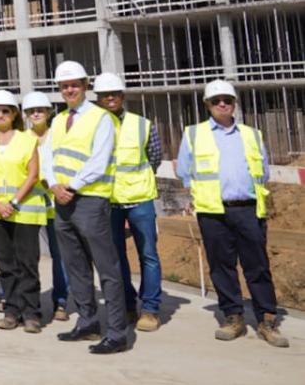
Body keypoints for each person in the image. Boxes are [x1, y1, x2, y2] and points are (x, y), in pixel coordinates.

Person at [177, 79, 288, 348]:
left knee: (258, 266)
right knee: (222, 266)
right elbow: (184, 171)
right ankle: (233, 317)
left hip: (248, 209)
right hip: (213, 212)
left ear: (234, 104)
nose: (222, 104)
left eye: (227, 100)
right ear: (207, 105)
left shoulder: (251, 134)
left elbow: (263, 170)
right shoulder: (194, 134)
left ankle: (266, 318)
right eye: (216, 101)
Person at [49, 61, 127, 355]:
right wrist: (54, 185)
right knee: (76, 266)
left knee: (107, 267)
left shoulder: (101, 119)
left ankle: (118, 333)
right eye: (64, 86)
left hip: (90, 201)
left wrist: (71, 186)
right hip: (62, 201)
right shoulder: (58, 121)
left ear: (85, 86)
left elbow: (100, 159)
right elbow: (48, 156)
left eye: (75, 85)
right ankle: (88, 322)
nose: (69, 90)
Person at [93, 72, 163, 333]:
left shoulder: (142, 124)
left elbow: (154, 157)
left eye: (114, 93)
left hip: (139, 199)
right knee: (115, 257)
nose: (109, 98)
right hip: (108, 200)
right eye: (104, 95)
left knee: (148, 255)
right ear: (98, 99)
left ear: (122, 96)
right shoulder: (95, 126)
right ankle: (126, 304)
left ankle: (151, 309)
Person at [0, 90, 47, 334]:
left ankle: (31, 313)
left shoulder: (27, 140)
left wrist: (14, 202)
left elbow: (33, 174)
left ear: (14, 113)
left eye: (6, 110)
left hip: (24, 211)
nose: (1, 115)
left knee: (27, 263)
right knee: (6, 264)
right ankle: (11, 310)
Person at [21, 91, 68, 321]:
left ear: (49, 112)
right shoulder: (21, 139)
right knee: (27, 257)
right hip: (30, 205)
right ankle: (23, 299)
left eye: (40, 110)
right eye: (31, 111)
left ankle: (61, 302)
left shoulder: (58, 136)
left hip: (55, 203)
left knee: (60, 255)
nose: (36, 114)